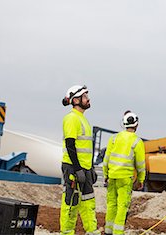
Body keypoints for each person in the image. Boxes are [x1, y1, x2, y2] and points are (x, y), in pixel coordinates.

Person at [60, 85, 100, 235]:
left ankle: (92, 232)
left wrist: (90, 169)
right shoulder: (71, 118)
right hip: (73, 168)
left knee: (88, 203)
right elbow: (70, 146)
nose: (88, 99)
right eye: (85, 96)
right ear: (76, 100)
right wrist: (77, 169)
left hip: (84, 169)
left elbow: (85, 148)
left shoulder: (83, 119)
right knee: (71, 204)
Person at [103, 110, 146, 235]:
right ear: (136, 125)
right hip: (125, 178)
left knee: (111, 204)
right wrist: (141, 179)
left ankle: (108, 231)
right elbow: (140, 165)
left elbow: (106, 159)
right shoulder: (137, 142)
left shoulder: (114, 138)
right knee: (122, 206)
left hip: (112, 176)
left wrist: (106, 174)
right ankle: (117, 232)